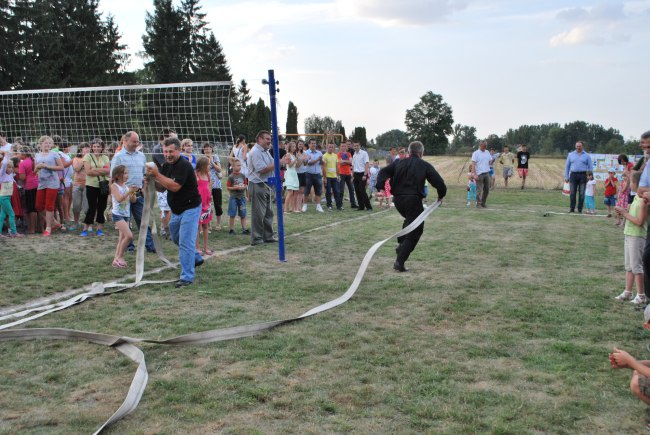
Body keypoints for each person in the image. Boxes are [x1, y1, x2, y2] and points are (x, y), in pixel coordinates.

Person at [376, 141, 447, 272]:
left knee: (410, 221)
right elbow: (439, 183)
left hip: (398, 201)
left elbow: (382, 172)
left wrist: (380, 187)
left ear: (409, 152)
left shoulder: (398, 163)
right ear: (421, 153)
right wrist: (441, 195)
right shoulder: (424, 165)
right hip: (413, 200)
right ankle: (400, 260)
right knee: (416, 230)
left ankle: (401, 242)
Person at [147, 137, 204, 288]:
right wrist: (151, 180)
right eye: (165, 151)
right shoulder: (166, 166)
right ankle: (196, 257)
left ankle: (187, 277)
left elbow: (175, 187)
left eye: (171, 151)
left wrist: (157, 174)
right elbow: (162, 187)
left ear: (178, 150)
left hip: (191, 208)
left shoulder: (184, 165)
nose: (167, 154)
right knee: (176, 238)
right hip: (177, 210)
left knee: (185, 242)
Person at [110, 131, 156, 252]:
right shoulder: (118, 157)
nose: (137, 144)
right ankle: (129, 246)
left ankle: (150, 245)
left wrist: (144, 188)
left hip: (138, 193)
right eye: (134, 141)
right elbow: (112, 176)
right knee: (126, 221)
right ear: (125, 141)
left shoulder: (141, 156)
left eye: (137, 141)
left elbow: (143, 174)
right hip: (124, 194)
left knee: (143, 220)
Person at [614, 171, 648, 305]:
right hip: (628, 234)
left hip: (637, 236)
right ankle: (628, 292)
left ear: (638, 184)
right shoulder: (634, 198)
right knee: (629, 266)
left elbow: (639, 221)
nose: (630, 185)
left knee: (636, 267)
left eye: (631, 182)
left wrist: (624, 213)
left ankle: (641, 295)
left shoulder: (643, 202)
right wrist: (622, 212)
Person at [247, 130, 276, 245]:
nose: (269, 141)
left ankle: (268, 236)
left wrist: (281, 162)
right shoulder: (255, 152)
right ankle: (257, 238)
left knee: (269, 212)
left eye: (270, 139)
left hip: (268, 184)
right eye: (267, 139)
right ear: (259, 139)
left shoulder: (266, 151)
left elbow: (272, 166)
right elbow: (262, 169)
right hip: (258, 184)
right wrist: (279, 163)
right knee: (258, 213)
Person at [34, 135, 64, 236]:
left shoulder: (54, 154)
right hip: (41, 183)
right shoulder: (37, 155)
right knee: (38, 206)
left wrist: (47, 166)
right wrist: (37, 167)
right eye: (45, 143)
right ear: (41, 144)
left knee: (49, 206)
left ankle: (48, 228)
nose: (48, 145)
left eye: (49, 143)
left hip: (52, 182)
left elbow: (61, 167)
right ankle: (55, 223)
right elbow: (34, 171)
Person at [81, 138, 110, 237]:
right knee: (92, 207)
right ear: (91, 147)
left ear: (102, 147)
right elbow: (88, 172)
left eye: (98, 146)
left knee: (102, 207)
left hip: (103, 184)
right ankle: (85, 228)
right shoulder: (87, 156)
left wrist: (95, 169)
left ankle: (99, 229)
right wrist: (101, 170)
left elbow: (108, 171)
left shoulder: (105, 157)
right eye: (94, 146)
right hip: (91, 185)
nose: (96, 148)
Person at [110, 165, 137, 268]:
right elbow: (119, 199)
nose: (127, 175)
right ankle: (120, 257)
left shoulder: (126, 186)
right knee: (129, 236)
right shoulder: (114, 186)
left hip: (126, 215)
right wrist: (128, 191)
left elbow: (133, 201)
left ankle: (115, 260)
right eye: (125, 173)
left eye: (127, 173)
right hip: (118, 215)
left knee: (122, 238)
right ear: (117, 175)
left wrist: (133, 192)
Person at [564, 140, 593, 213]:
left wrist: (590, 177)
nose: (578, 147)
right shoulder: (570, 155)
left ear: (582, 146)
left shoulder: (587, 155)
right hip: (573, 175)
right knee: (573, 193)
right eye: (577, 146)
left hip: (583, 175)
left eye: (580, 146)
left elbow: (590, 167)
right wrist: (566, 177)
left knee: (582, 193)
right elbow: (567, 166)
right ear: (575, 146)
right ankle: (572, 208)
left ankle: (580, 209)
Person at [17, 144, 39, 234]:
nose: (18, 154)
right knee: (36, 208)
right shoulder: (34, 160)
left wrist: (17, 173)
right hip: (37, 185)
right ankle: (38, 227)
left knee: (31, 208)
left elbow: (22, 178)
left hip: (29, 187)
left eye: (20, 153)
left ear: (24, 154)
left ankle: (32, 229)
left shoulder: (22, 163)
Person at [0, 150, 22, 237]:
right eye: (9, 168)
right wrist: (5, 155)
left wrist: (9, 155)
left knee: (2, 216)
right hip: (3, 198)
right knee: (12, 214)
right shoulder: (2, 174)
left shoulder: (10, 175)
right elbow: (5, 163)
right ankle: (13, 232)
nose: (10, 169)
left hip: (7, 197)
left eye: (11, 167)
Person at [202, 142, 223, 231]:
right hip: (206, 185)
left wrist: (212, 162)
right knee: (207, 205)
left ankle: (218, 224)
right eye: (206, 148)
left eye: (209, 148)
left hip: (216, 185)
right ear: (203, 150)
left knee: (218, 205)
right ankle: (208, 224)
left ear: (212, 149)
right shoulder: (202, 158)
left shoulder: (215, 157)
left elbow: (219, 169)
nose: (207, 150)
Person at [195, 156, 213, 256]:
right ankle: (197, 247)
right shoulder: (195, 174)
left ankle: (206, 247)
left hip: (207, 203)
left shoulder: (208, 174)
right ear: (203, 165)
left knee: (206, 225)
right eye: (208, 164)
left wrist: (210, 196)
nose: (209, 166)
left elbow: (209, 186)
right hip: (197, 203)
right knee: (198, 226)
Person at [301, 139, 324, 213]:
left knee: (318, 191)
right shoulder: (306, 153)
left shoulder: (319, 152)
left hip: (317, 174)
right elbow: (309, 163)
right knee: (306, 190)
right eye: (312, 143)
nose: (313, 144)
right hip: (308, 174)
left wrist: (321, 160)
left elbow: (322, 163)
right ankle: (305, 205)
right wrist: (318, 159)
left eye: (314, 143)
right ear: (309, 144)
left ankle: (318, 205)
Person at [226, 160, 249, 234]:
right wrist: (236, 188)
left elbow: (246, 185)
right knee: (232, 213)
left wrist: (244, 188)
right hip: (233, 198)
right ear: (232, 166)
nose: (239, 167)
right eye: (237, 165)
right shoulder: (231, 176)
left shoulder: (243, 175)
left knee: (243, 213)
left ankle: (244, 229)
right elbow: (228, 187)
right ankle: (231, 229)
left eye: (240, 165)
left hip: (242, 198)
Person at [352, 141, 372, 211]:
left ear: (360, 146)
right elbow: (353, 166)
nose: (356, 147)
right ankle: (361, 206)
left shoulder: (364, 153)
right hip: (356, 174)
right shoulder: (354, 155)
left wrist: (365, 174)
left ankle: (369, 207)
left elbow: (367, 164)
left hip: (362, 174)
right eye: (354, 146)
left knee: (362, 190)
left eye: (357, 145)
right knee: (357, 191)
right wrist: (352, 176)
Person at [471, 140, 491, 208]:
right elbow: (473, 164)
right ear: (480, 145)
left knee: (487, 189)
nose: (485, 147)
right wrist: (474, 174)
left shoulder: (487, 152)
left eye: (486, 145)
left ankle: (483, 203)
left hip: (487, 173)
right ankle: (478, 203)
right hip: (479, 174)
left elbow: (490, 162)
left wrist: (492, 160)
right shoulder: (475, 153)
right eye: (484, 146)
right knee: (479, 190)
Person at [337, 140, 357, 208]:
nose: (343, 147)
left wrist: (345, 161)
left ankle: (353, 204)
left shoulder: (349, 154)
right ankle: (340, 205)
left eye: (345, 146)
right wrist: (347, 161)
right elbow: (341, 162)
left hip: (348, 173)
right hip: (341, 174)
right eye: (342, 146)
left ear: (346, 147)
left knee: (351, 189)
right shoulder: (338, 154)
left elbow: (351, 162)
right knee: (341, 190)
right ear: (340, 147)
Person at [282, 141, 301, 213]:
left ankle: (293, 208)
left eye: (294, 146)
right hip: (289, 174)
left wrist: (300, 159)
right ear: (289, 147)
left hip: (294, 173)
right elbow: (289, 165)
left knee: (295, 192)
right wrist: (296, 159)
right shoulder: (288, 155)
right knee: (290, 192)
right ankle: (285, 209)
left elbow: (297, 166)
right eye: (293, 146)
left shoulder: (293, 155)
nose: (294, 148)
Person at [322, 143, 342, 211]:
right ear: (327, 147)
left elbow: (337, 166)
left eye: (332, 147)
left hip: (334, 177)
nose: (331, 148)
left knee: (337, 191)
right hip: (328, 177)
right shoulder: (324, 156)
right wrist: (324, 178)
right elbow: (323, 167)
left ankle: (339, 206)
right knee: (328, 192)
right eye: (329, 147)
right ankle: (329, 205)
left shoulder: (335, 156)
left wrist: (338, 175)